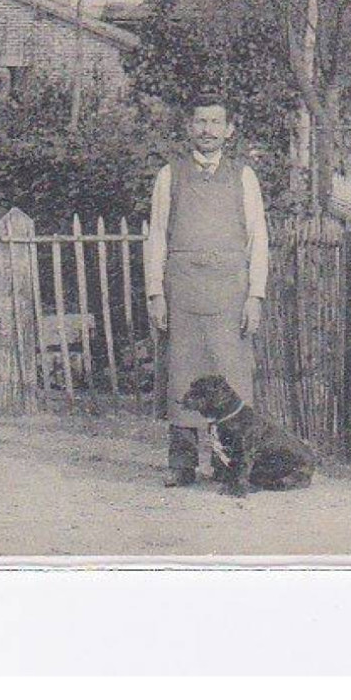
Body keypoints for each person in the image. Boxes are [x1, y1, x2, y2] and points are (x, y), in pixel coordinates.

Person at [145, 94, 270, 487]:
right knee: (181, 376)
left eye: (216, 123)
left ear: (229, 130)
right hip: (182, 290)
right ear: (189, 127)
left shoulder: (243, 176)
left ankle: (227, 465)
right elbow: (156, 238)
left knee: (231, 376)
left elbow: (258, 240)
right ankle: (181, 465)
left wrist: (255, 296)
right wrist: (156, 294)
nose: (207, 130)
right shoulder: (170, 175)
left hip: (230, 291)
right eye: (200, 122)